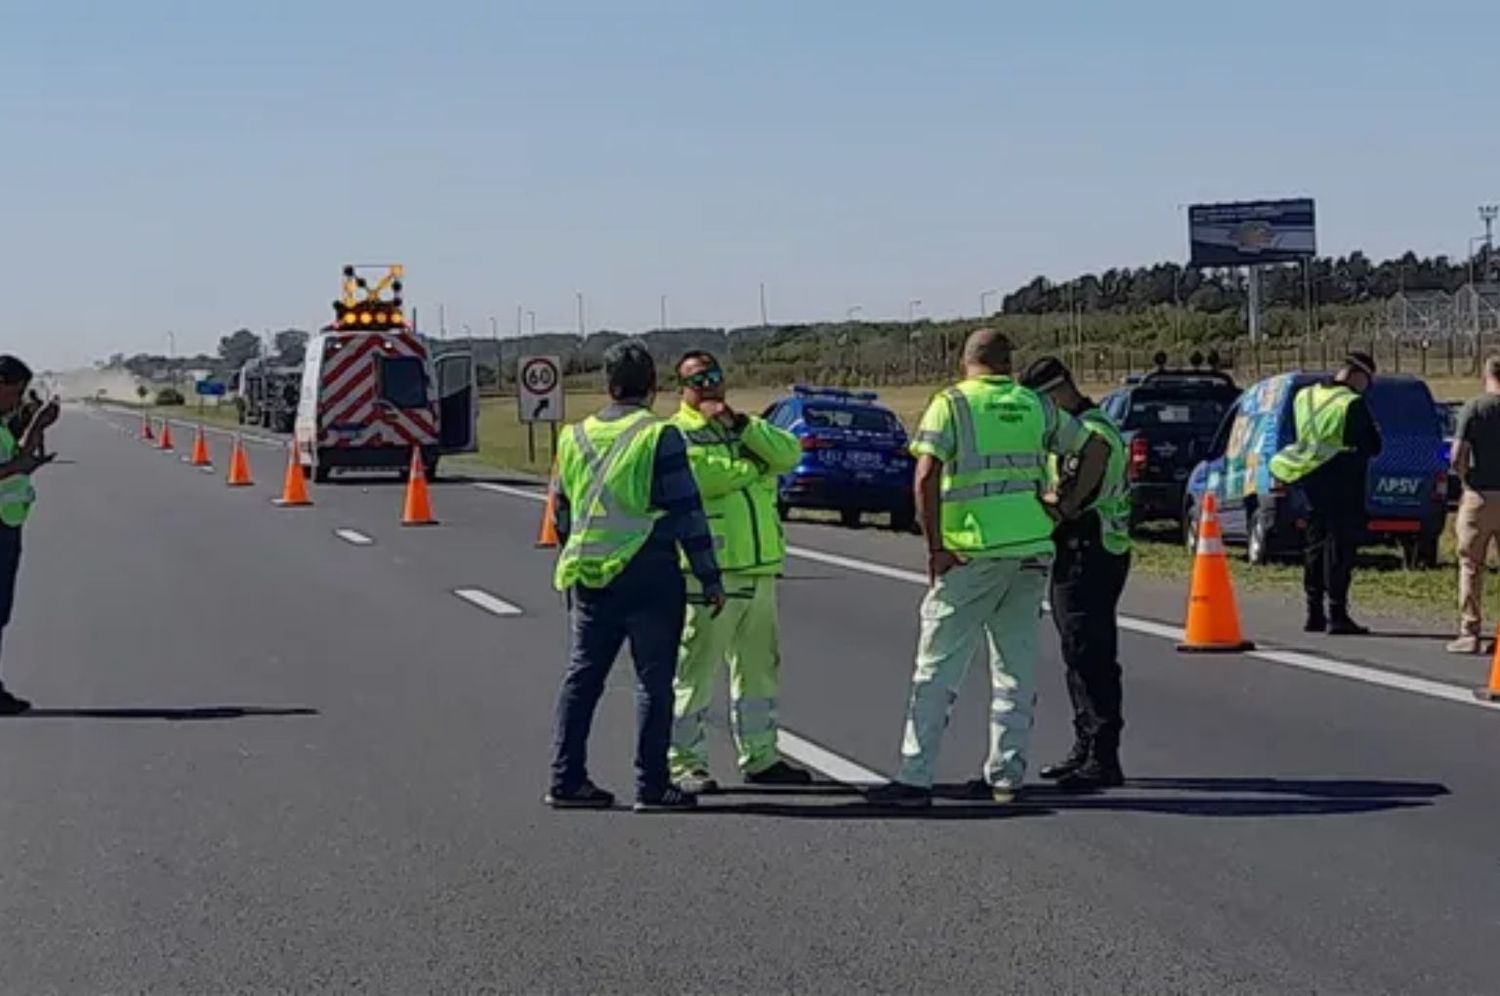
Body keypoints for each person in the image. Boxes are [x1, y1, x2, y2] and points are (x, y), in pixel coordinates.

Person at [866, 329, 1108, 807]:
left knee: (936, 669)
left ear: (965, 360)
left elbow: (926, 476)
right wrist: (1067, 505)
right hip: (1032, 548)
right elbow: (1095, 447)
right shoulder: (1034, 406)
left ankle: (915, 776)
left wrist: (935, 546)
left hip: (972, 550)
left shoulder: (952, 404)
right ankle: (1005, 776)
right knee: (1014, 669)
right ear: (1008, 362)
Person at [546, 341, 725, 813]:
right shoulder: (659, 435)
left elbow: (561, 511)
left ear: (608, 386)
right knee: (654, 681)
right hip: (648, 570)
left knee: (582, 678)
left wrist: (573, 558)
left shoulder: (573, 436)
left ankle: (566, 779)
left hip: (589, 573)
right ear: (653, 386)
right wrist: (709, 577)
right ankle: (652, 784)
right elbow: (687, 511)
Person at [668, 350, 810, 793]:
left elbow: (788, 454)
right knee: (696, 671)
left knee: (759, 669)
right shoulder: (677, 434)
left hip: (760, 568)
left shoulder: (744, 427)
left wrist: (742, 427)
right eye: (697, 379)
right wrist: (753, 467)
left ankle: (761, 756)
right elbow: (702, 479)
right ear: (683, 390)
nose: (708, 385)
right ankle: (684, 763)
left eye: (714, 376)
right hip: (710, 572)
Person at [1021, 356, 1132, 790]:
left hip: (1092, 546)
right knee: (1076, 651)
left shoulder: (1093, 433)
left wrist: (1052, 503)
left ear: (1057, 392)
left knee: (1090, 653)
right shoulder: (1084, 428)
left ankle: (1103, 754)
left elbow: (1074, 493)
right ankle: (1085, 745)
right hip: (1085, 545)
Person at [1269, 352, 1383, 635]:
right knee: (1339, 548)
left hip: (1309, 478)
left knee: (1314, 545)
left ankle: (1314, 613)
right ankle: (1338, 613)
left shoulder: (1304, 396)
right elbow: (1373, 445)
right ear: (1360, 376)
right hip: (1343, 480)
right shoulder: (1351, 403)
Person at [0, 357, 59, 714]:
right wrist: (19, 467)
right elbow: (13, 465)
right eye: (15, 391)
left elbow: (18, 459)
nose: (18, 399)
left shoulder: (4, 424)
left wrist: (37, 428)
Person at [1446, 356, 1500, 654]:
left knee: (1471, 565)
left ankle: (1470, 631)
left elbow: (1457, 455)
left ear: (1486, 374)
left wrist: (1465, 478)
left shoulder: (1475, 409)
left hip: (1478, 495)